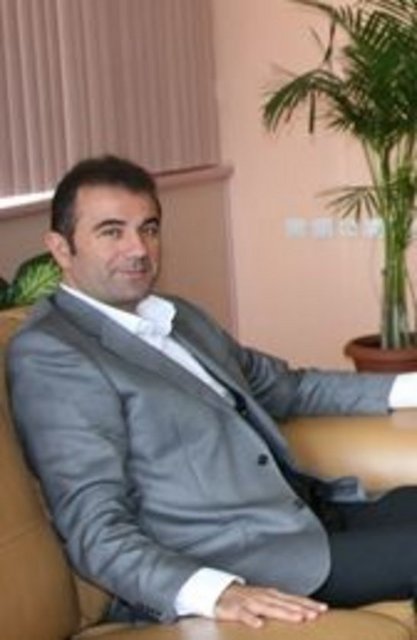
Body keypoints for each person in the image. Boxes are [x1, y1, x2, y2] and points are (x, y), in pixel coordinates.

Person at [7, 155, 417, 629]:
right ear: (60, 248)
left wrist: (409, 387)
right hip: (248, 557)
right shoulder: (54, 353)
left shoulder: (177, 316)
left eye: (149, 229)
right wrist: (215, 592)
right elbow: (93, 526)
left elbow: (286, 387)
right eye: (111, 232)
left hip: (309, 514)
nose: (138, 249)